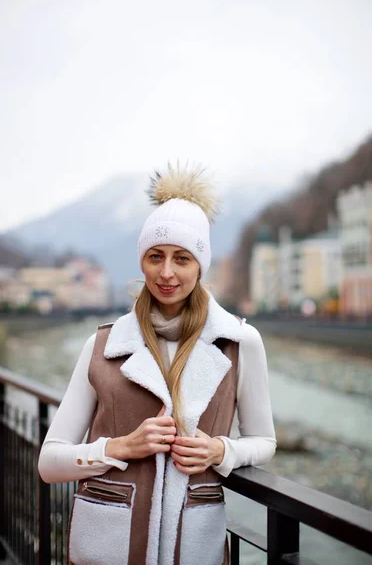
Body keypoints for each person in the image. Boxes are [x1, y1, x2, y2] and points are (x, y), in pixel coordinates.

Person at [38, 164, 276, 565]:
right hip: (107, 546)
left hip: (195, 544)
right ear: (142, 261)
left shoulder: (240, 342)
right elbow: (49, 463)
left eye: (182, 258)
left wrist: (220, 450)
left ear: (200, 265)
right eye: (155, 257)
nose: (166, 273)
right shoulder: (102, 344)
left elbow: (265, 442)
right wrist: (121, 447)